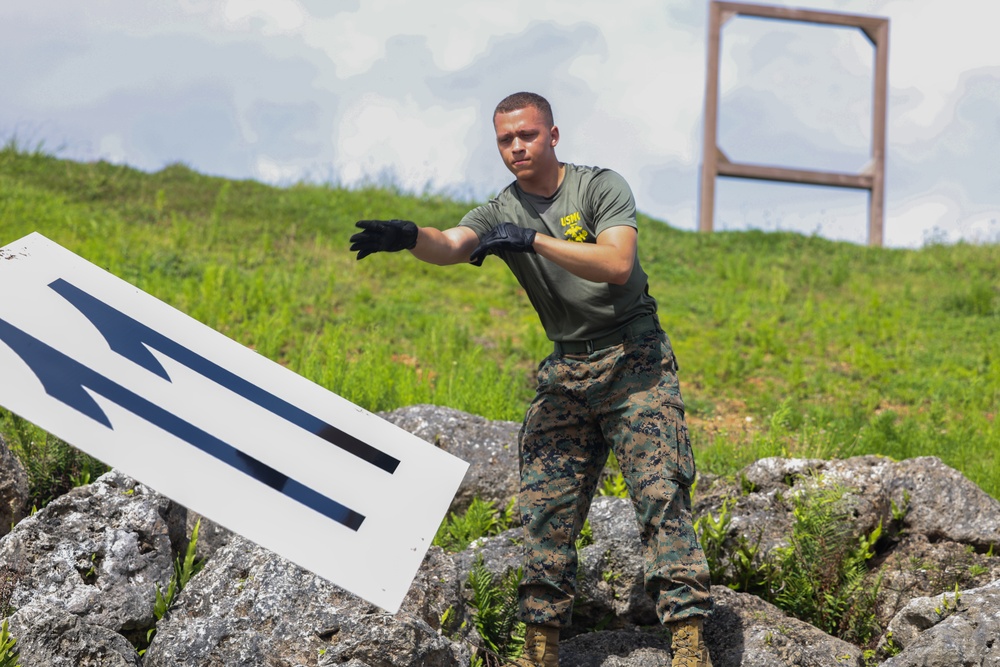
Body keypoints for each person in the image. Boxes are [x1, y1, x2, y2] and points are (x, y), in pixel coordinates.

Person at [350, 92, 713, 667]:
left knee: (660, 493)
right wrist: (408, 236)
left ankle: (689, 643)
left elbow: (617, 263)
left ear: (553, 135)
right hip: (566, 368)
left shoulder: (598, 188)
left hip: (633, 359)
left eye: (527, 135)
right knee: (547, 506)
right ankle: (540, 647)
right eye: (504, 140)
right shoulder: (501, 208)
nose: (516, 147)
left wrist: (534, 240)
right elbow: (452, 244)